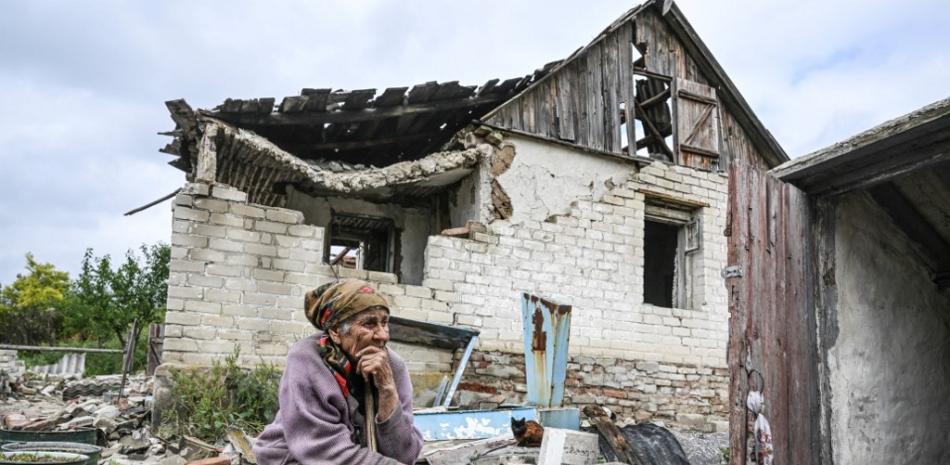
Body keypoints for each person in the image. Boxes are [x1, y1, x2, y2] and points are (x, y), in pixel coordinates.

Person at [253, 279, 424, 465]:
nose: (383, 335)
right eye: (369, 324)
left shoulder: (392, 367)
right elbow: (323, 450)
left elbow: (405, 455)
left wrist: (387, 390)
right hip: (294, 458)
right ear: (335, 331)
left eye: (385, 322)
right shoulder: (307, 360)